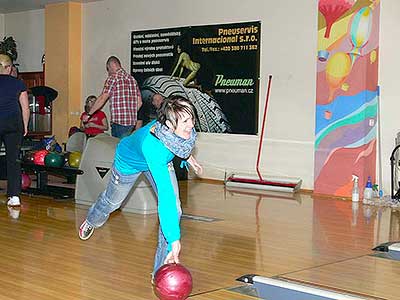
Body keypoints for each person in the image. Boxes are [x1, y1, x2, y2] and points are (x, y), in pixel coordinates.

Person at [78, 95, 202, 279]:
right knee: (113, 202)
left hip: (157, 161)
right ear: (168, 124)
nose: (190, 124)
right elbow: (165, 197)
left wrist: (187, 157)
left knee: (175, 209)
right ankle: (92, 220)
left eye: (191, 118)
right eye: (185, 121)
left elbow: (180, 145)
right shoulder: (154, 147)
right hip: (129, 162)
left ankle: (160, 271)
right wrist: (175, 238)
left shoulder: (178, 130)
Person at [82, 56, 142, 138]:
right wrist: (130, 114)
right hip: (131, 123)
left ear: (110, 66)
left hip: (119, 123)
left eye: (108, 69)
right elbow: (139, 102)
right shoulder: (132, 79)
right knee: (124, 147)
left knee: (116, 148)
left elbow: (103, 98)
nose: (108, 72)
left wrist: (89, 114)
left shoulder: (113, 78)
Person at [0, 54, 30, 207]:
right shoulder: (18, 83)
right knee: (13, 160)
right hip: (13, 124)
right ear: (9, 68)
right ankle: (14, 196)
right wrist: (25, 125)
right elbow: (25, 107)